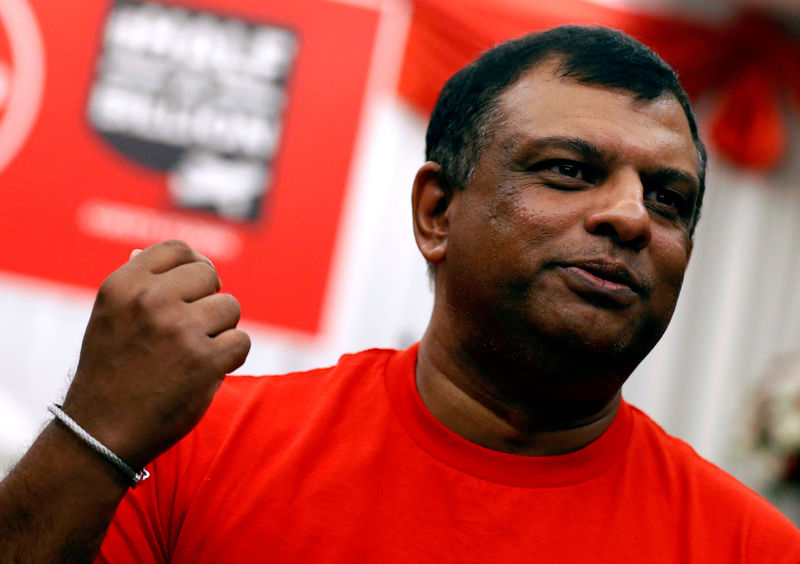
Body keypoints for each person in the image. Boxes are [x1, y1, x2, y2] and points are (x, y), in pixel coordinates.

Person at [1, 25, 799, 563]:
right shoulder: (196, 451)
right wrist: (90, 435)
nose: (631, 216)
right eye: (570, 169)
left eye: (668, 199)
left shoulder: (747, 546)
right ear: (437, 211)